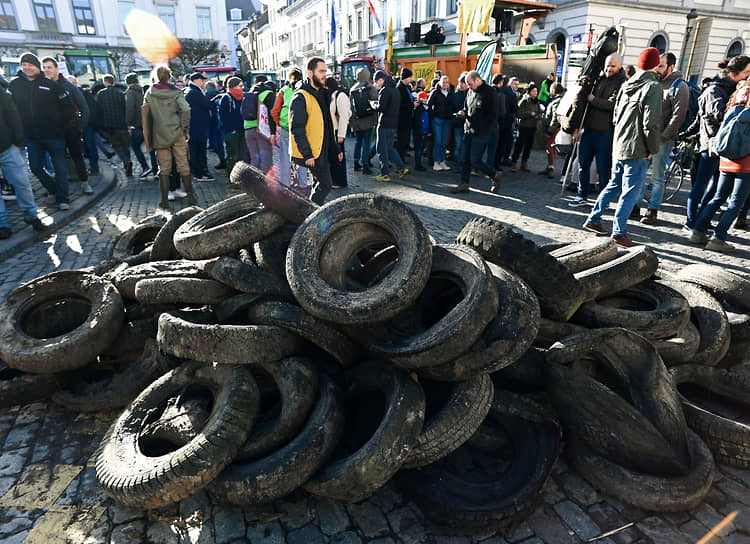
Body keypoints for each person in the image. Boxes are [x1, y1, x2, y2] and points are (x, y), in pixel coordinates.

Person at [582, 47, 663, 248]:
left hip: (620, 143)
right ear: (655, 64)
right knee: (630, 191)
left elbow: (616, 116)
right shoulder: (653, 87)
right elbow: (650, 123)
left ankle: (594, 218)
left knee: (614, 184)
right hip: (637, 147)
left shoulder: (628, 84)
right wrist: (653, 147)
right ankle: (619, 231)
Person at [682, 55, 750, 231]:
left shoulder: (729, 88)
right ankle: (691, 222)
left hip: (721, 146)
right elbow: (719, 116)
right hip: (710, 144)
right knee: (702, 186)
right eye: (746, 72)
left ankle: (701, 220)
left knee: (715, 189)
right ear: (735, 73)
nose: (748, 76)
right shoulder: (714, 90)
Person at [9, 52, 74, 210]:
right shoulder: (15, 85)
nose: (27, 68)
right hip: (31, 137)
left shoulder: (51, 84)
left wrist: (62, 126)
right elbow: (10, 109)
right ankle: (53, 190)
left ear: (37, 67)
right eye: (24, 64)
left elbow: (68, 108)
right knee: (35, 167)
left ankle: (63, 199)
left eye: (30, 64)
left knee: (60, 169)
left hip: (55, 136)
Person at [638, 53, 689, 225]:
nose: (657, 69)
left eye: (661, 66)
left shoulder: (679, 86)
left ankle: (652, 210)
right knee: (639, 173)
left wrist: (662, 138)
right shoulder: (654, 82)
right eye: (656, 65)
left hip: (663, 140)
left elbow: (678, 117)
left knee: (657, 177)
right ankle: (635, 206)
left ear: (671, 67)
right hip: (645, 137)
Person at [569, 53, 626, 207]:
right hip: (588, 130)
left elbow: (613, 104)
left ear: (620, 65)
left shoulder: (622, 82)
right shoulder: (599, 79)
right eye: (608, 65)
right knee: (583, 164)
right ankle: (582, 195)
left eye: (613, 66)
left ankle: (603, 200)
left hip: (605, 132)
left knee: (603, 168)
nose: (609, 69)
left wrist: (593, 100)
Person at [289, 57, 341, 203]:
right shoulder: (300, 97)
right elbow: (297, 129)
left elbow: (327, 125)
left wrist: (336, 149)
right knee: (325, 185)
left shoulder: (322, 94)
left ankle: (313, 211)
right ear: (310, 73)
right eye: (321, 71)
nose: (325, 74)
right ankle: (311, 214)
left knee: (320, 184)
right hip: (312, 152)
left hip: (322, 149)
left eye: (325, 71)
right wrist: (307, 155)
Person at [0, 81, 48, 238]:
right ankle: (2, 224)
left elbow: (13, 116)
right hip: (8, 145)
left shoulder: (2, 92)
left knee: (22, 182)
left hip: (7, 146)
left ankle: (31, 215)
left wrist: (18, 142)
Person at [143, 64, 195, 209]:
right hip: (177, 132)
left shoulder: (149, 92)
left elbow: (145, 113)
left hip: (159, 134)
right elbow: (186, 109)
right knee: (183, 164)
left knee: (164, 167)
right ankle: (191, 197)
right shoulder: (176, 92)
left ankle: (164, 200)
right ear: (169, 76)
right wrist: (184, 127)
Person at [41, 56, 91, 194]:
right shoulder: (42, 86)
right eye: (44, 68)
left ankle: (85, 182)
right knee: (57, 160)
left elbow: (84, 108)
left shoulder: (69, 86)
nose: (46, 70)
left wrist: (79, 126)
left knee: (77, 157)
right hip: (52, 131)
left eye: (49, 67)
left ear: (57, 69)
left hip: (71, 129)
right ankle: (60, 189)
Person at [451, 70, 502, 194]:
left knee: (475, 160)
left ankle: (494, 175)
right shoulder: (469, 91)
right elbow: (467, 107)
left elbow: (494, 115)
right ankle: (464, 183)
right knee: (464, 159)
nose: (468, 86)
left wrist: (484, 128)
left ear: (478, 80)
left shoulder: (490, 92)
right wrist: (463, 112)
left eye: (470, 84)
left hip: (481, 132)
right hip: (468, 129)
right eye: (467, 84)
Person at [372, 69, 408, 182]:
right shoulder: (395, 90)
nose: (376, 84)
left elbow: (381, 108)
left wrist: (373, 105)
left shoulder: (385, 90)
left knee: (381, 149)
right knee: (390, 148)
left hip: (384, 124)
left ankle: (385, 174)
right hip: (393, 124)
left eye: (377, 81)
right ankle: (401, 168)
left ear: (381, 79)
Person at [95, 74, 132, 177]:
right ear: (114, 82)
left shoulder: (100, 94)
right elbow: (125, 109)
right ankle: (128, 164)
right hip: (122, 124)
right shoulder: (120, 93)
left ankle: (126, 162)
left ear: (105, 82)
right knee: (126, 146)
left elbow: (99, 111)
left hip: (109, 126)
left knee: (116, 146)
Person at [271, 69, 302, 185]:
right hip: (300, 129)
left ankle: (285, 183)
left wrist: (280, 123)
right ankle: (303, 184)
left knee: (285, 158)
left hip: (286, 128)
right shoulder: (304, 91)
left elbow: (274, 111)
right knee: (301, 158)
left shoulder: (283, 91)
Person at [124, 72, 155, 180]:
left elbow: (130, 109)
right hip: (148, 123)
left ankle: (145, 167)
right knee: (151, 148)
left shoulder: (130, 93)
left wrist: (128, 123)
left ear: (127, 83)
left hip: (137, 125)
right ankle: (156, 170)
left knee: (135, 146)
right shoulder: (143, 91)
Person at [185, 72, 215, 181]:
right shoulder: (194, 92)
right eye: (202, 80)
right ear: (196, 80)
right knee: (198, 150)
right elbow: (207, 104)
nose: (204, 82)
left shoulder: (193, 91)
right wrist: (213, 101)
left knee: (197, 150)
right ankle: (200, 173)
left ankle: (199, 171)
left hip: (196, 126)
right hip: (197, 126)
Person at [245, 75, 276, 174]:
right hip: (261, 129)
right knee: (265, 159)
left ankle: (254, 183)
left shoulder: (249, 93)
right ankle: (265, 186)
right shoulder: (268, 94)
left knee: (254, 158)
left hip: (248, 129)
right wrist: (273, 133)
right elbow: (272, 114)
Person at [349, 68, 378, 175]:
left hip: (356, 121)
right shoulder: (371, 88)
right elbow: (375, 103)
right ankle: (365, 164)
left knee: (358, 141)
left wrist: (352, 121)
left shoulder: (352, 89)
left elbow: (350, 107)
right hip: (368, 120)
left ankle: (356, 162)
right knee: (367, 142)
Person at [218, 76, 246, 176]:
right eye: (240, 86)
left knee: (243, 156)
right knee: (232, 156)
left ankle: (241, 177)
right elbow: (223, 116)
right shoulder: (226, 98)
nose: (242, 88)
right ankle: (232, 178)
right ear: (233, 86)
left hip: (243, 130)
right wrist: (231, 129)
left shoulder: (243, 97)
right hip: (232, 132)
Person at [511, 84, 542, 172]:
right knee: (519, 146)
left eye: (536, 91)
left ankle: (524, 163)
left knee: (529, 146)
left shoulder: (537, 102)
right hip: (524, 127)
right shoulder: (524, 101)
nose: (535, 93)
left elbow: (540, 112)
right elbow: (518, 114)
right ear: (529, 92)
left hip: (533, 127)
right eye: (533, 91)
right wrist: (529, 114)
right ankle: (514, 163)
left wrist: (538, 116)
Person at [327, 77, 351, 189]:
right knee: (334, 155)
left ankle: (340, 181)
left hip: (338, 130)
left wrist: (341, 134)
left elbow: (344, 116)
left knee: (339, 156)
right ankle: (334, 180)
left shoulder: (340, 96)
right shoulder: (331, 96)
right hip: (332, 130)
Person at [427, 75, 454, 171]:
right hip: (437, 120)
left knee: (444, 143)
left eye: (447, 82)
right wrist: (433, 116)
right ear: (440, 83)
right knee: (438, 142)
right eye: (443, 82)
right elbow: (429, 105)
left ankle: (442, 162)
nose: (445, 84)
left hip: (447, 120)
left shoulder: (451, 93)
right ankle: (436, 162)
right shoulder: (435, 92)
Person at [539, 83, 566, 178]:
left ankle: (550, 168)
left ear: (554, 90)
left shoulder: (557, 101)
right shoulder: (560, 99)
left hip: (554, 129)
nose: (550, 91)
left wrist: (549, 131)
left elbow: (555, 118)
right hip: (556, 128)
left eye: (551, 89)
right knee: (551, 148)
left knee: (550, 148)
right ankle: (549, 166)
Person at [497, 76, 518, 166]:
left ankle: (498, 160)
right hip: (507, 121)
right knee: (507, 141)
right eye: (515, 84)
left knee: (499, 142)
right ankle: (504, 159)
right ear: (509, 83)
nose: (517, 86)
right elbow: (514, 109)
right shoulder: (511, 94)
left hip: (498, 120)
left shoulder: (498, 91)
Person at [205, 81, 226, 171]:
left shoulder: (207, 95)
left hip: (212, 122)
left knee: (215, 142)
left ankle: (222, 159)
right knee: (220, 141)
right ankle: (224, 159)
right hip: (220, 122)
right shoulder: (219, 94)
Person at [395, 68, 415, 163]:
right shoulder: (400, 88)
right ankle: (400, 160)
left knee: (404, 140)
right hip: (402, 120)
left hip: (406, 119)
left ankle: (401, 158)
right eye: (410, 77)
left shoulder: (406, 87)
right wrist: (412, 105)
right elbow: (400, 105)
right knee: (401, 141)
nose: (411, 79)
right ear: (406, 77)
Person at [449, 73, 468, 172]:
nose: (461, 84)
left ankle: (464, 164)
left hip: (468, 125)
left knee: (465, 146)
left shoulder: (471, 94)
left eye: (463, 82)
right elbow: (451, 109)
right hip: (458, 124)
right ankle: (457, 164)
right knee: (459, 145)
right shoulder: (456, 95)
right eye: (460, 82)